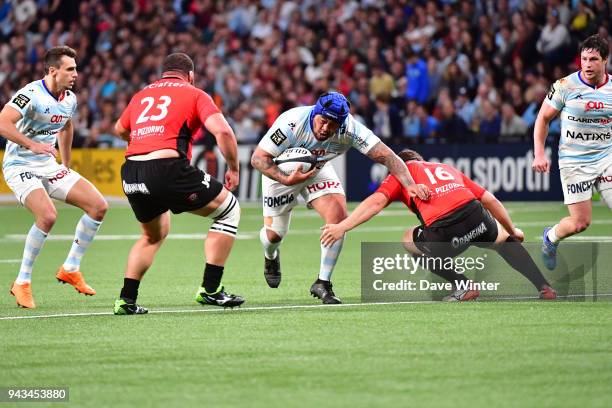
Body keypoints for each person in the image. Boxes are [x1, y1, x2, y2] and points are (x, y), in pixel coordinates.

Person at [250, 91, 430, 304]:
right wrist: (286, 179)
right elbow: (258, 159)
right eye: (323, 121)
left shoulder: (351, 129)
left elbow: (388, 156)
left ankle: (322, 282)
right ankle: (271, 256)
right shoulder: (291, 123)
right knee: (274, 236)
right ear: (315, 113)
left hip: (318, 168)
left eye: (333, 125)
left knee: (338, 218)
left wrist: (410, 184)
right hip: (281, 172)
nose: (326, 128)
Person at [321, 149, 557, 301]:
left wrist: (342, 227)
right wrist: (512, 230)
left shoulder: (400, 174)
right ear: (421, 160)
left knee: (408, 239)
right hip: (476, 215)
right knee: (503, 240)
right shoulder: (445, 168)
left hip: (445, 231)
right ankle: (544, 287)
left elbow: (375, 202)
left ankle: (463, 285)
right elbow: (489, 200)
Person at [112, 53, 244, 315]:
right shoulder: (195, 93)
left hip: (132, 171)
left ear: (164, 73)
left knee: (152, 236)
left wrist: (141, 145)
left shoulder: (142, 95)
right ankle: (211, 290)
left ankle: (126, 300)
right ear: (190, 75)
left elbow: (119, 128)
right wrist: (233, 168)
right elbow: (224, 131)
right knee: (229, 210)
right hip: (167, 168)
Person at [0, 46, 108, 309]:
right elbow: (3, 122)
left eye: (75, 68)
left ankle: (71, 268)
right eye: (70, 69)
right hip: (19, 164)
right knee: (48, 216)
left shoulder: (69, 98)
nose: (75, 74)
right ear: (52, 70)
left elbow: (66, 125)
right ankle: (22, 282)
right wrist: (33, 145)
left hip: (49, 164)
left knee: (99, 206)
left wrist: (67, 163)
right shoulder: (31, 94)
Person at [532, 34, 612, 270]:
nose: (587, 64)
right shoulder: (565, 86)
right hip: (574, 162)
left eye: (594, 59)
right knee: (580, 223)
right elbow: (543, 119)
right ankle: (551, 237)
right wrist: (539, 153)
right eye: (584, 59)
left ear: (605, 60)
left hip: (607, 158)